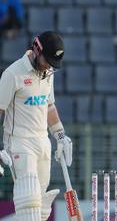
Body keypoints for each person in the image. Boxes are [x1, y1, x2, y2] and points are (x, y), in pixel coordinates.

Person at [0, 31, 73, 221]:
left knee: (39, 210)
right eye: (47, 60)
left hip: (42, 141)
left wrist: (60, 136)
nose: (49, 66)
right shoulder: (13, 74)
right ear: (36, 49)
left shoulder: (48, 73)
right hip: (19, 143)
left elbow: (48, 105)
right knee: (28, 203)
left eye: (52, 63)